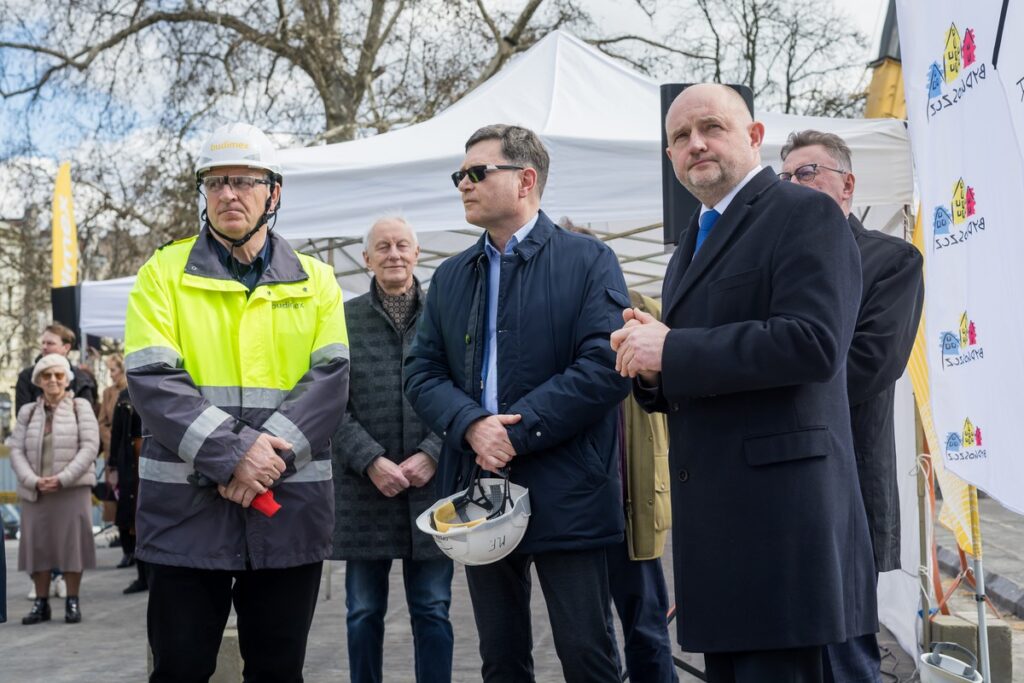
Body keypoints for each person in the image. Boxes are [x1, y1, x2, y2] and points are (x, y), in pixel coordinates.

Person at [610, 84, 877, 683]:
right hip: (721, 538)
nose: (694, 143)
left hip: (786, 534)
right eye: (679, 137)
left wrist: (673, 347)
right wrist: (650, 366)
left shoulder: (802, 212)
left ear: (754, 136)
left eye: (712, 127)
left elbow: (814, 342)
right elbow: (696, 370)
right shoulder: (689, 246)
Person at [124, 122, 349, 682]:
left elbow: (331, 384)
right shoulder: (162, 274)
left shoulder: (317, 281)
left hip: (286, 512)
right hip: (187, 519)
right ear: (203, 193)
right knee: (179, 669)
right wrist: (235, 457)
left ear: (273, 192)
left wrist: (262, 462)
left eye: (245, 182)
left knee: (278, 671)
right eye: (216, 182)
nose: (229, 194)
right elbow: (152, 381)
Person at [405, 124, 630, 683]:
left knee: (587, 655)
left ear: (526, 180)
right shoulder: (452, 275)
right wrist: (472, 425)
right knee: (500, 660)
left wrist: (516, 430)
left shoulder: (589, 260)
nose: (463, 183)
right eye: (460, 174)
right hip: (480, 487)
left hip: (569, 487)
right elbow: (421, 371)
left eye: (477, 172)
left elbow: (605, 366)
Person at [780, 130, 924, 683]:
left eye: (807, 172)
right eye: (786, 176)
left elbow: (870, 365)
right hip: (775, 484)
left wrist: (767, 382)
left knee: (845, 649)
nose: (793, 184)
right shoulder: (778, 259)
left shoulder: (890, 260)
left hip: (846, 476)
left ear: (848, 186)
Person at [331, 216, 453, 683]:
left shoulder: (445, 315)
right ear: (366, 259)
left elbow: (467, 392)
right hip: (365, 492)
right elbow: (326, 405)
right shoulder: (342, 320)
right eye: (382, 247)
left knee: (434, 609)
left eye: (403, 245)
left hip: (431, 490)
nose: (394, 254)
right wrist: (368, 459)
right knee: (362, 611)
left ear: (418, 254)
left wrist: (434, 451)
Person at [560, 218, 677, 683]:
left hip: (634, 500)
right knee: (589, 633)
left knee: (647, 629)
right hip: (581, 504)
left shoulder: (649, 317)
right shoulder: (556, 328)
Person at [9, 353, 100, 625]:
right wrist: (32, 480)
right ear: (38, 380)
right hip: (36, 491)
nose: (52, 380)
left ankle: (72, 601)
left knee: (72, 547)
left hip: (71, 490)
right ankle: (41, 603)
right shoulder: (27, 412)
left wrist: (63, 478)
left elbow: (90, 446)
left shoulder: (80, 406)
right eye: (46, 376)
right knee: (38, 548)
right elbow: (16, 449)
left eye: (58, 375)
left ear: (67, 379)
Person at [109, 384, 147, 594]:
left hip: (151, 453)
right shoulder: (125, 396)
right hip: (131, 458)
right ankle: (143, 576)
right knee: (134, 517)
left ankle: (151, 576)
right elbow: (117, 432)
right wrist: (113, 463)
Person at [98, 353, 134, 568]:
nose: (111, 374)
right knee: (116, 502)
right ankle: (126, 549)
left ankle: (135, 549)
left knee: (131, 500)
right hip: (114, 453)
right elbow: (102, 421)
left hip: (130, 452)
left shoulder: (130, 391)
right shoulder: (108, 393)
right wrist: (110, 439)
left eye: (114, 369)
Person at [15, 323, 97, 414]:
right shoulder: (26, 376)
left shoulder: (82, 379)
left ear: (66, 347)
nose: (44, 347)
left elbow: (86, 416)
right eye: (43, 343)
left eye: (50, 343)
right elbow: (22, 416)